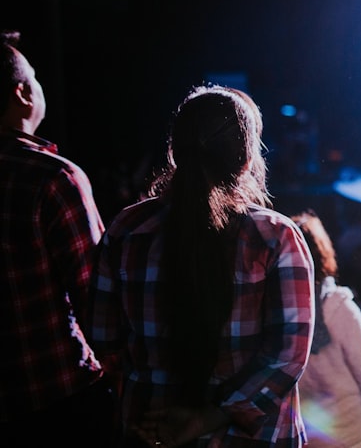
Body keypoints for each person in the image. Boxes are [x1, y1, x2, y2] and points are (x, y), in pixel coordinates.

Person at [86, 84, 315, 447]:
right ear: (246, 160)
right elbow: (287, 357)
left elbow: (104, 340)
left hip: (150, 431)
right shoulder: (276, 237)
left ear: (174, 153)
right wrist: (208, 417)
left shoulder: (127, 229)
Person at [0, 30, 116, 445]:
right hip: (59, 399)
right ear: (22, 94)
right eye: (34, 78)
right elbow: (97, 300)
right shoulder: (52, 178)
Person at [293, 209, 361, 448]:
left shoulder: (280, 312)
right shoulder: (338, 307)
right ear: (323, 251)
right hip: (350, 432)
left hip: (305, 436)